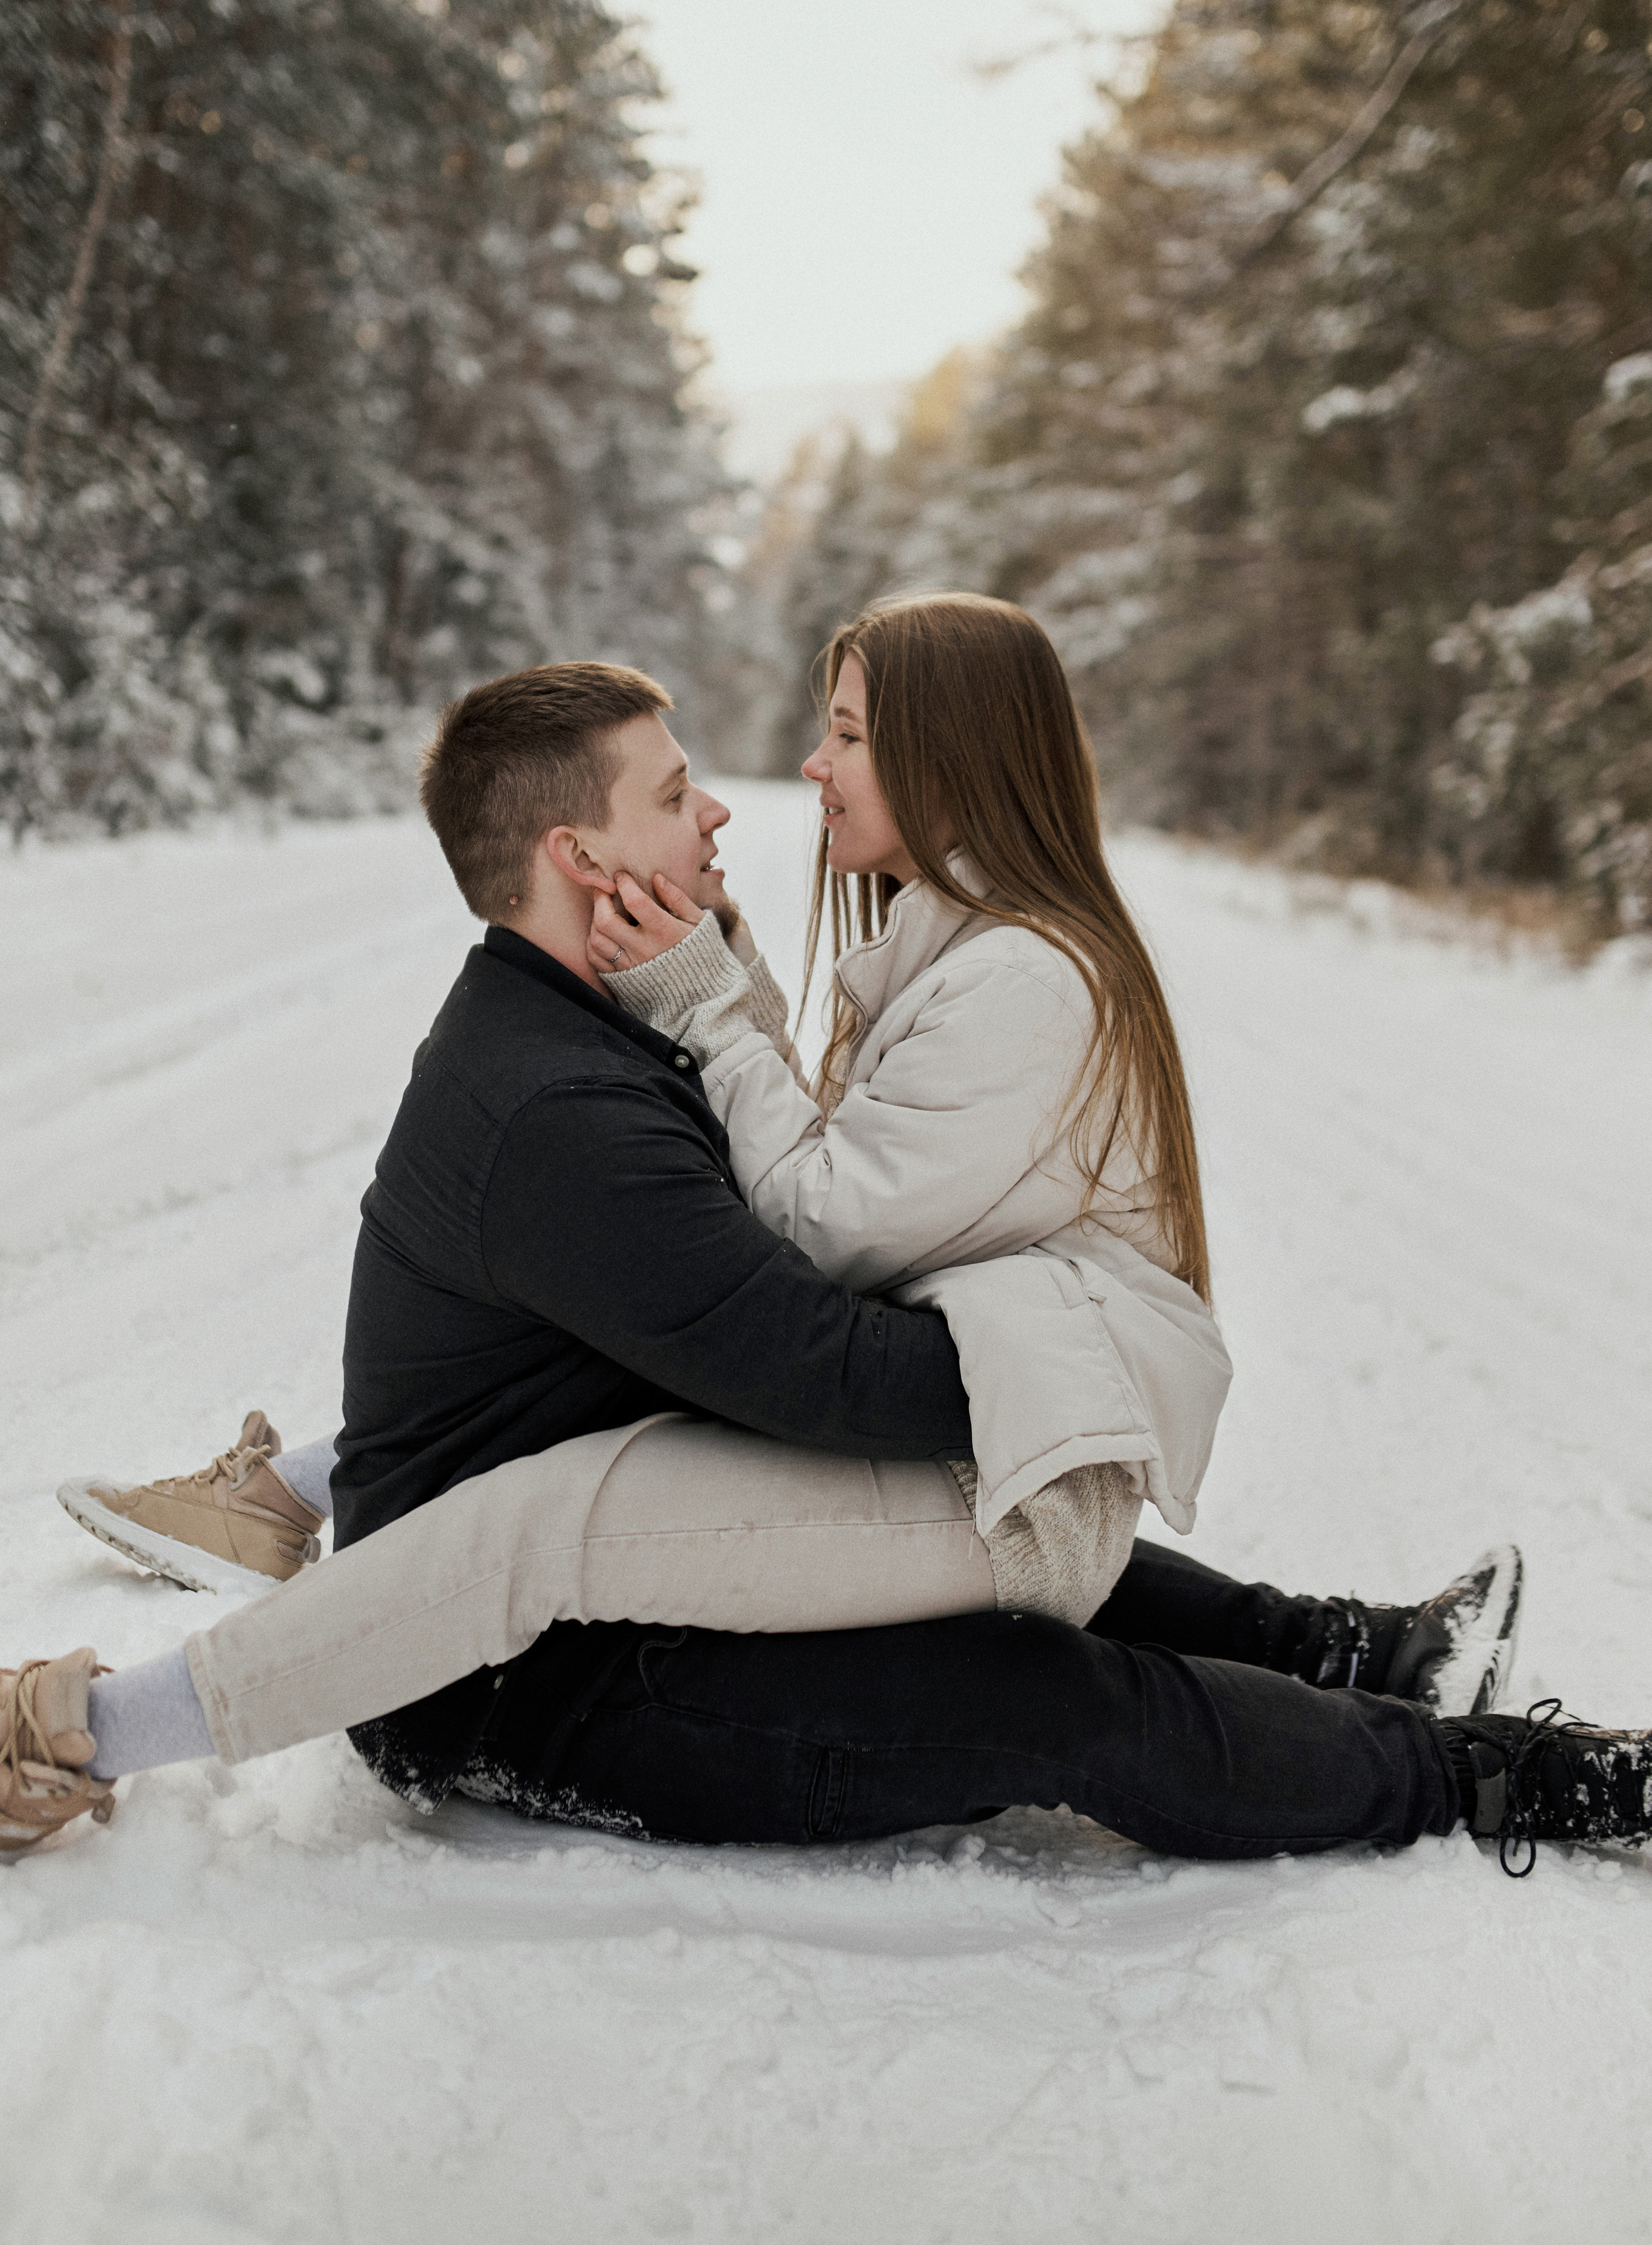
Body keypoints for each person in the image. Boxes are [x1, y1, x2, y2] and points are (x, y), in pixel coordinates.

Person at [8, 629, 1642, 1875]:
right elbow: (819, 1359)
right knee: (1026, 1682)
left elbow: (761, 1270)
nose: (733, 801)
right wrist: (1051, 1352)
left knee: (958, 1522)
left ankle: (1348, 1653)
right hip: (525, 1686)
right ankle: (1494, 1777)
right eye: (672, 794)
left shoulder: (598, 1027)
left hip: (601, 1588)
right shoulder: (557, 1108)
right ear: (582, 861)